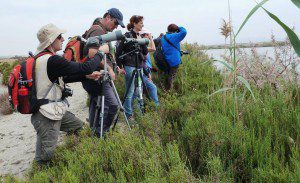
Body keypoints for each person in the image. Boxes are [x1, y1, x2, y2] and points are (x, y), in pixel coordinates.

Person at [31, 23, 103, 164]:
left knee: (79, 127)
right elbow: (85, 67)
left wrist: (86, 76)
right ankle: (41, 174)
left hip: (52, 110)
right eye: (59, 37)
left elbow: (62, 78)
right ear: (51, 41)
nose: (63, 39)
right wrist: (100, 53)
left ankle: (72, 155)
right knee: (45, 157)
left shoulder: (41, 58)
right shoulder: (52, 60)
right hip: (47, 115)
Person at [81, 8, 125, 137]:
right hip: (99, 76)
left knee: (96, 105)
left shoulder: (99, 30)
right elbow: (92, 53)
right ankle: (102, 134)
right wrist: (110, 69)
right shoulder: (97, 30)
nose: (115, 27)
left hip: (96, 75)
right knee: (112, 105)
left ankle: (94, 134)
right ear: (108, 17)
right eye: (115, 23)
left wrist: (113, 66)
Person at [115, 15, 148, 119]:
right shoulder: (127, 35)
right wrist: (120, 66)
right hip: (129, 66)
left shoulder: (141, 36)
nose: (142, 25)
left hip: (139, 66)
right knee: (130, 91)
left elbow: (145, 52)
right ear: (134, 23)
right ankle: (128, 115)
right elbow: (118, 52)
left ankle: (138, 112)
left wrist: (141, 41)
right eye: (141, 23)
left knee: (139, 90)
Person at [161, 24, 187, 90]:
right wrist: (179, 27)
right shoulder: (174, 36)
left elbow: (169, 47)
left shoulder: (164, 37)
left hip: (166, 59)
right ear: (175, 31)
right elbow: (184, 32)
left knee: (168, 75)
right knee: (172, 76)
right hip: (174, 61)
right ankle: (169, 92)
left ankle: (165, 88)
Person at [139, 28, 159, 106]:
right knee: (152, 88)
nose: (149, 37)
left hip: (146, 71)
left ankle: (143, 108)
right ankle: (156, 107)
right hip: (144, 72)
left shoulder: (144, 47)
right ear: (143, 35)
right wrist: (150, 38)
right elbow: (153, 48)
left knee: (142, 91)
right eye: (147, 35)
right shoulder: (141, 47)